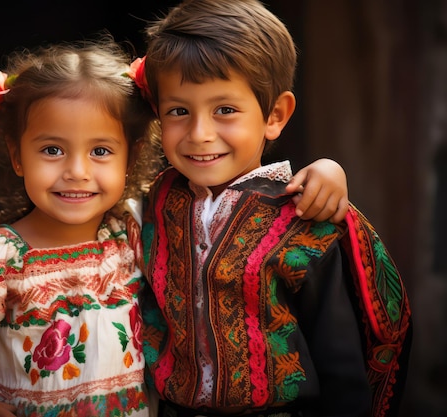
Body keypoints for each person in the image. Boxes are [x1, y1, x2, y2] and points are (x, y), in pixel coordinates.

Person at [0, 36, 349, 417]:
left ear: (130, 159)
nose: (77, 171)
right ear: (17, 156)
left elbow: (225, 196)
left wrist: (326, 168)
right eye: (52, 150)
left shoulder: (135, 229)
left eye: (100, 151)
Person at [131, 1, 413, 416]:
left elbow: (339, 360)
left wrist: (330, 168)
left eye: (224, 110)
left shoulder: (303, 216)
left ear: (275, 115)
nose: (200, 133)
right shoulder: (155, 203)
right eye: (179, 111)